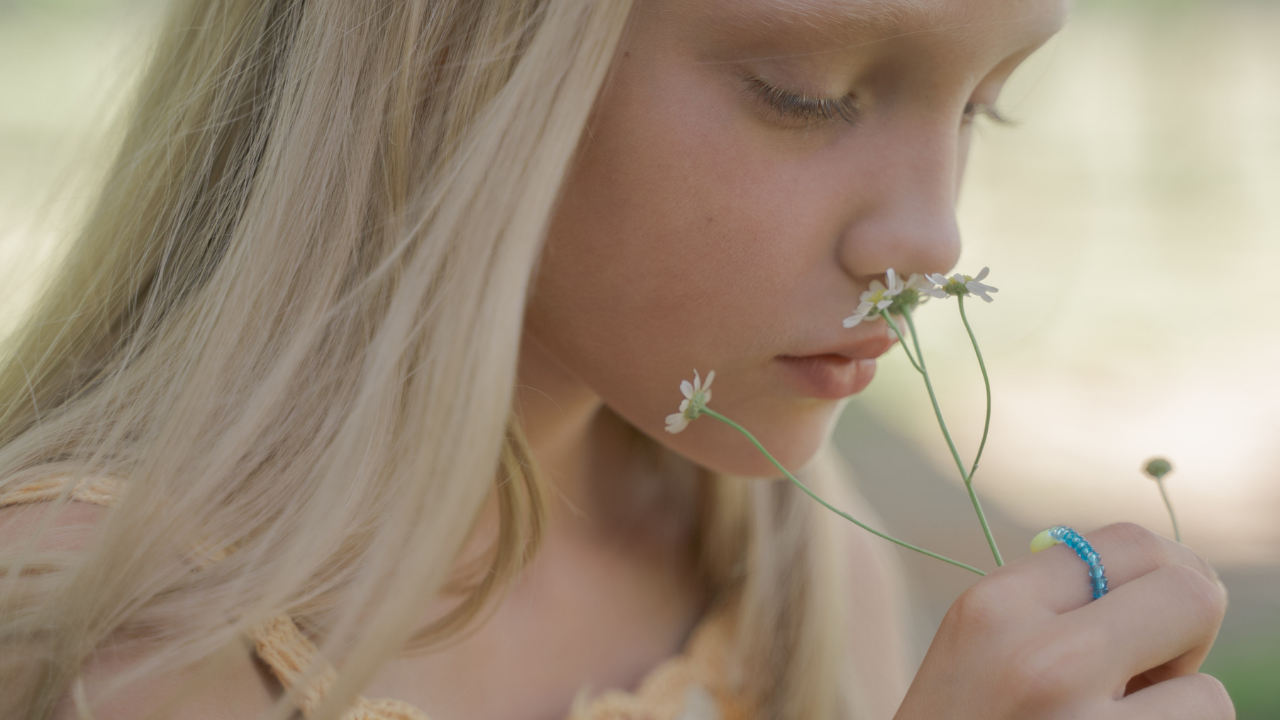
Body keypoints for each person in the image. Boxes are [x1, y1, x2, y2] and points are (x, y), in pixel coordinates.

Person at [0, 0, 1233, 718]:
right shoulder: (110, 632)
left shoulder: (785, 568)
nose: (929, 237)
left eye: (977, 107)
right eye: (806, 95)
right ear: (454, 66)